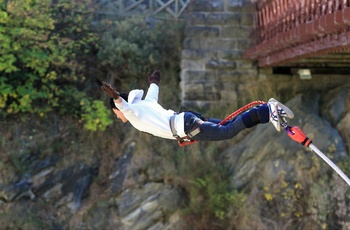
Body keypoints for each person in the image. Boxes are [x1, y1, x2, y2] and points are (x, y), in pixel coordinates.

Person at [101, 70, 294, 144]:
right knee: (230, 124)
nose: (118, 117)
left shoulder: (133, 113)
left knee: (227, 131)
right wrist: (154, 80)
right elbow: (153, 90)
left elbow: (125, 108)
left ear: (118, 109)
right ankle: (268, 113)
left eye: (115, 114)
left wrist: (116, 97)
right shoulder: (144, 104)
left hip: (186, 126)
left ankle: (266, 111)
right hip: (186, 120)